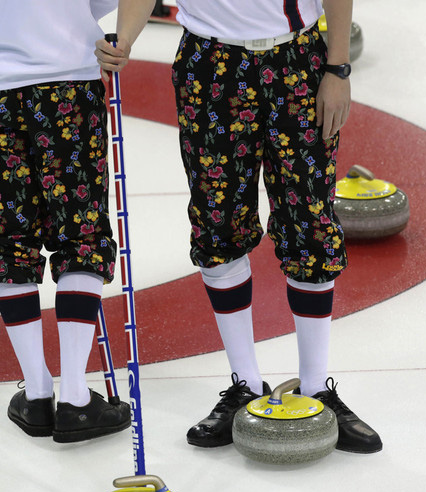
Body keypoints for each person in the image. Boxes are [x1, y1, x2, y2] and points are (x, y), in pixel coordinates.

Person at [97, 0, 382, 453]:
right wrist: (125, 39)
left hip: (296, 60)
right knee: (217, 223)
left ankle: (316, 387)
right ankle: (244, 384)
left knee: (309, 220)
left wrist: (338, 68)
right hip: (209, 64)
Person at [0, 0, 131, 443]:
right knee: (81, 232)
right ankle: (74, 395)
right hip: (67, 79)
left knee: (9, 234)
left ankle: (37, 392)